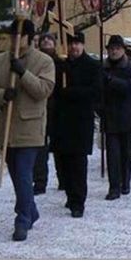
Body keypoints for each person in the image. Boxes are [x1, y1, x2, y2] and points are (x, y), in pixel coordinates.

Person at [0, 20, 55, 243]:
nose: (16, 40)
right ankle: (31, 210)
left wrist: (23, 73)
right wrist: (3, 95)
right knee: (16, 175)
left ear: (30, 38)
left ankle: (22, 220)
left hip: (30, 128)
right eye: (13, 35)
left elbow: (44, 90)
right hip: (6, 129)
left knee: (24, 175)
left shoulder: (44, 61)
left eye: (20, 36)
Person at [50, 32, 101, 219]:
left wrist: (71, 93)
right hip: (62, 121)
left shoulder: (92, 66)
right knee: (63, 162)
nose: (74, 47)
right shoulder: (60, 66)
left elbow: (95, 91)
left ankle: (79, 201)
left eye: (78, 44)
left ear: (83, 45)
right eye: (72, 44)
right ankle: (70, 196)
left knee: (78, 163)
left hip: (80, 121)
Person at [101, 35, 131, 199]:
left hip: (127, 115)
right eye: (111, 49)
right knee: (112, 154)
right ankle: (114, 187)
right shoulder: (103, 67)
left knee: (126, 153)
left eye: (117, 48)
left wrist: (111, 80)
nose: (114, 51)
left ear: (123, 50)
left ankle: (125, 182)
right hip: (110, 116)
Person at [32, 32, 59, 195]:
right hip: (40, 108)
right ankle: (40, 181)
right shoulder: (35, 63)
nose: (47, 41)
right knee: (40, 148)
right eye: (44, 40)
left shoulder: (60, 61)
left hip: (57, 110)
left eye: (50, 39)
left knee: (59, 147)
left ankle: (63, 178)